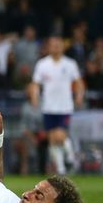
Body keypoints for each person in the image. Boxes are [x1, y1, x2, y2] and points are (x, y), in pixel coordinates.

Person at [28, 36, 84, 175]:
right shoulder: (42, 64)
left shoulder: (70, 64)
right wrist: (34, 97)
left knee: (60, 135)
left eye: (58, 44)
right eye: (53, 45)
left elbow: (78, 82)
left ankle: (70, 156)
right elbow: (35, 83)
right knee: (52, 138)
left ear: (63, 46)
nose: (56, 47)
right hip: (48, 106)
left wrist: (79, 95)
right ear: (49, 47)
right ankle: (61, 168)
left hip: (64, 106)